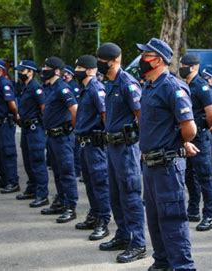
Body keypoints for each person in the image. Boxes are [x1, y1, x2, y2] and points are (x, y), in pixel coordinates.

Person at [137, 37, 197, 271]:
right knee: (154, 221)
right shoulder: (149, 86)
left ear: (158, 60)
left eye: (145, 56)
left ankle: (183, 267)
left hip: (167, 165)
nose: (142, 60)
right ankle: (162, 263)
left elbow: (189, 129)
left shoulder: (172, 86)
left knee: (172, 221)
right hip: (150, 165)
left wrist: (177, 143)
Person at [96, 42, 146, 263]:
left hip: (126, 148)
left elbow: (141, 116)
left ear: (115, 60)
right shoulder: (109, 83)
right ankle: (123, 235)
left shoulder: (127, 83)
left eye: (102, 60)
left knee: (130, 194)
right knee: (115, 194)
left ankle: (138, 242)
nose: (99, 64)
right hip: (112, 146)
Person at [72, 55, 112, 241]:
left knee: (100, 183)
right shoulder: (85, 88)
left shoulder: (96, 88)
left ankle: (103, 220)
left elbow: (105, 114)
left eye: (79, 67)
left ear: (89, 70)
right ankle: (94, 214)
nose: (76, 71)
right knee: (89, 182)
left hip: (95, 143)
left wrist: (104, 136)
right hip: (84, 142)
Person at [180, 54, 212, 231]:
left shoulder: (201, 86)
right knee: (188, 174)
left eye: (184, 65)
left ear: (193, 67)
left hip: (200, 136)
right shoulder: (183, 85)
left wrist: (204, 127)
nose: (181, 67)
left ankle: (209, 215)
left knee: (204, 176)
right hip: (185, 137)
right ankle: (193, 208)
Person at [40, 56, 79, 223]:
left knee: (67, 172)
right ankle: (61, 201)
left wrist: (70, 128)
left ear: (56, 71)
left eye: (46, 67)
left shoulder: (63, 88)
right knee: (57, 171)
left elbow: (75, 110)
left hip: (63, 137)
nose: (43, 70)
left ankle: (71, 206)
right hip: (52, 136)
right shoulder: (49, 87)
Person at [14, 60, 50, 208]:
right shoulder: (25, 87)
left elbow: (44, 108)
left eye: (22, 70)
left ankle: (42, 195)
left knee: (37, 162)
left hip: (35, 129)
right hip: (26, 129)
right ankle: (32, 188)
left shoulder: (36, 88)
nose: (20, 73)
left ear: (30, 72)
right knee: (28, 161)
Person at [0, 58, 21, 194]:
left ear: (0, 70)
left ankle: (13, 182)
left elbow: (12, 104)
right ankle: (4, 179)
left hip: (6, 123)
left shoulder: (4, 84)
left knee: (8, 153)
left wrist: (16, 115)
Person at [63, 65, 82, 181]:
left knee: (76, 148)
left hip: (74, 119)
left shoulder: (74, 87)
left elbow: (75, 105)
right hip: (70, 119)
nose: (65, 75)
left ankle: (77, 169)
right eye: (64, 73)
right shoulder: (67, 86)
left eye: (68, 73)